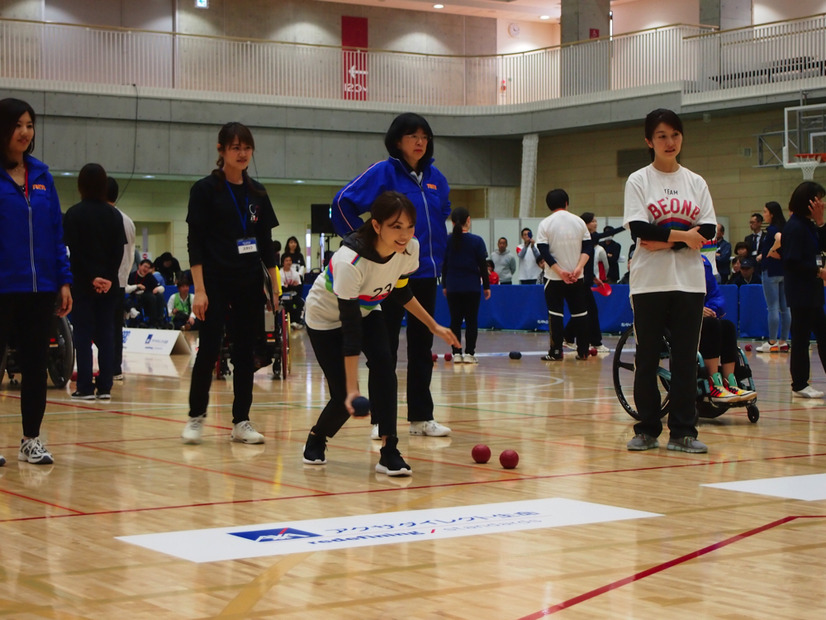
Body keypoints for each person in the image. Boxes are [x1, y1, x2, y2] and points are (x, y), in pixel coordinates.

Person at [302, 191, 459, 475]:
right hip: (325, 320)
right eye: (395, 226)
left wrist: (432, 324)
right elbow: (350, 332)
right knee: (342, 397)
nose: (404, 234)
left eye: (409, 226)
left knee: (385, 368)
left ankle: (389, 451)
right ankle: (317, 437)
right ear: (376, 226)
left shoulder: (410, 249)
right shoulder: (350, 261)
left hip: (368, 310)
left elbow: (400, 290)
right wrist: (352, 389)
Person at [331, 112, 452, 439]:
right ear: (397, 141)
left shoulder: (436, 178)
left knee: (421, 347)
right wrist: (364, 248)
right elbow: (341, 204)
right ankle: (380, 420)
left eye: (425, 136)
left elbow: (441, 219)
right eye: (413, 136)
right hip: (385, 274)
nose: (420, 142)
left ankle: (421, 417)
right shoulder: (383, 173)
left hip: (424, 274)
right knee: (382, 350)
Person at [623, 108, 716, 454]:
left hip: (690, 282)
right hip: (649, 282)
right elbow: (639, 229)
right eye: (662, 136)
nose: (670, 141)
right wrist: (684, 237)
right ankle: (647, 429)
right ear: (649, 141)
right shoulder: (638, 180)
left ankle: (683, 432)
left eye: (675, 134)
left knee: (684, 359)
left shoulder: (696, 181)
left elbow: (706, 230)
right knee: (647, 358)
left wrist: (666, 240)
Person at [181, 121, 279, 445]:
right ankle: (196, 417)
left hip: (249, 282)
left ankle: (242, 421)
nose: (242, 153)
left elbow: (267, 246)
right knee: (209, 349)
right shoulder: (204, 190)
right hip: (214, 282)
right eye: (235, 147)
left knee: (244, 352)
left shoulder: (258, 193)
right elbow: (195, 243)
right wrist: (200, 289)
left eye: (247, 147)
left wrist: (275, 289)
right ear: (221, 150)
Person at [0, 97, 72, 466]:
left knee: (34, 364)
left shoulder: (42, 175)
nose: (25, 132)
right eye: (18, 125)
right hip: (2, 287)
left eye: (30, 125)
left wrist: (63, 280)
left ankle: (31, 440)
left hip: (40, 289)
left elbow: (55, 231)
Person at [63, 163, 127, 400]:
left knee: (83, 333)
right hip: (109, 285)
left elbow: (74, 252)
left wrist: (91, 277)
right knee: (107, 332)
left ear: (81, 185)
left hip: (82, 283)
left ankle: (85, 387)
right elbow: (118, 252)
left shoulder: (74, 214)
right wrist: (108, 277)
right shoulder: (114, 215)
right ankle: (106, 387)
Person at [782, 181, 826, 399]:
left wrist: (820, 222)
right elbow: (791, 262)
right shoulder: (794, 227)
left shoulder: (809, 225)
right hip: (801, 292)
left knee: (822, 334)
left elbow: (822, 247)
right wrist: (817, 272)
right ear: (809, 201)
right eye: (819, 198)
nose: (822, 203)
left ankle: (800, 382)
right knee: (801, 338)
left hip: (813, 291)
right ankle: (799, 383)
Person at [536, 189, 591, 361]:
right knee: (580, 314)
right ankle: (583, 351)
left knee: (555, 314)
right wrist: (578, 268)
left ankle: (556, 352)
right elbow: (588, 247)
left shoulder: (545, 224)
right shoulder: (579, 222)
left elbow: (543, 251)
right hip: (577, 277)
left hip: (554, 278)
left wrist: (560, 271)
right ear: (567, 202)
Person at [564, 212, 624, 352]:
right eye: (593, 221)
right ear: (585, 224)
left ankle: (567, 336)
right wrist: (626, 226)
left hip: (586, 280)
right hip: (581, 282)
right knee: (590, 311)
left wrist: (594, 278)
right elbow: (610, 233)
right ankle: (595, 342)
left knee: (583, 311)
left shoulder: (587, 239)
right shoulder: (587, 237)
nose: (596, 223)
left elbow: (588, 263)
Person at [699, 256, 755, 403]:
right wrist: (697, 309)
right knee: (711, 325)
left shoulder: (703, 263)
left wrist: (711, 308)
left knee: (728, 326)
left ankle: (729, 381)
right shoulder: (673, 261)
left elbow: (715, 295)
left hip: (702, 317)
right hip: (682, 318)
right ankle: (713, 383)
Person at [442, 207, 490, 364]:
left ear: (453, 222)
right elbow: (483, 266)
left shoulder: (447, 241)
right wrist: (487, 287)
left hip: (453, 286)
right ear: (468, 220)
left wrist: (444, 285)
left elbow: (444, 265)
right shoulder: (477, 241)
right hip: (472, 287)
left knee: (455, 321)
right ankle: (469, 353)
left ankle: (456, 353)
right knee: (471, 321)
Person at [107, 177, 135, 381]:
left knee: (102, 324)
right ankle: (115, 367)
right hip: (120, 281)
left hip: (104, 280)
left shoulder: (102, 217)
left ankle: (109, 366)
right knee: (115, 326)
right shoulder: (128, 220)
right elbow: (130, 254)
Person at [754, 200, 791, 352]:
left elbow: (779, 238)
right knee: (785, 307)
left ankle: (771, 342)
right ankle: (783, 341)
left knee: (773, 307)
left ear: (772, 213)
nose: (764, 215)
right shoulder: (787, 226)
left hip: (771, 272)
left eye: (765, 212)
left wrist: (770, 252)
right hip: (784, 272)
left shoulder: (772, 229)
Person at [126, 259, 168, 327]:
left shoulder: (149, 276)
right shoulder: (132, 275)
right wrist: (137, 286)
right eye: (145, 266)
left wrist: (157, 289)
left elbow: (161, 287)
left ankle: (160, 320)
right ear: (139, 266)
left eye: (148, 268)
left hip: (149, 296)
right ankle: (152, 320)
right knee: (151, 297)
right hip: (136, 297)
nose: (146, 269)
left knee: (160, 296)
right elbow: (127, 288)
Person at [280, 254, 305, 327]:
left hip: (293, 294)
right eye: (286, 260)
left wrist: (288, 286)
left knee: (301, 303)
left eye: (290, 260)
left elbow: (299, 287)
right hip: (284, 296)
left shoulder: (295, 273)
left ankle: (298, 320)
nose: (288, 262)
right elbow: (282, 288)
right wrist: (293, 286)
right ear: (283, 262)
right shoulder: (280, 273)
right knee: (289, 304)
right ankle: (290, 322)